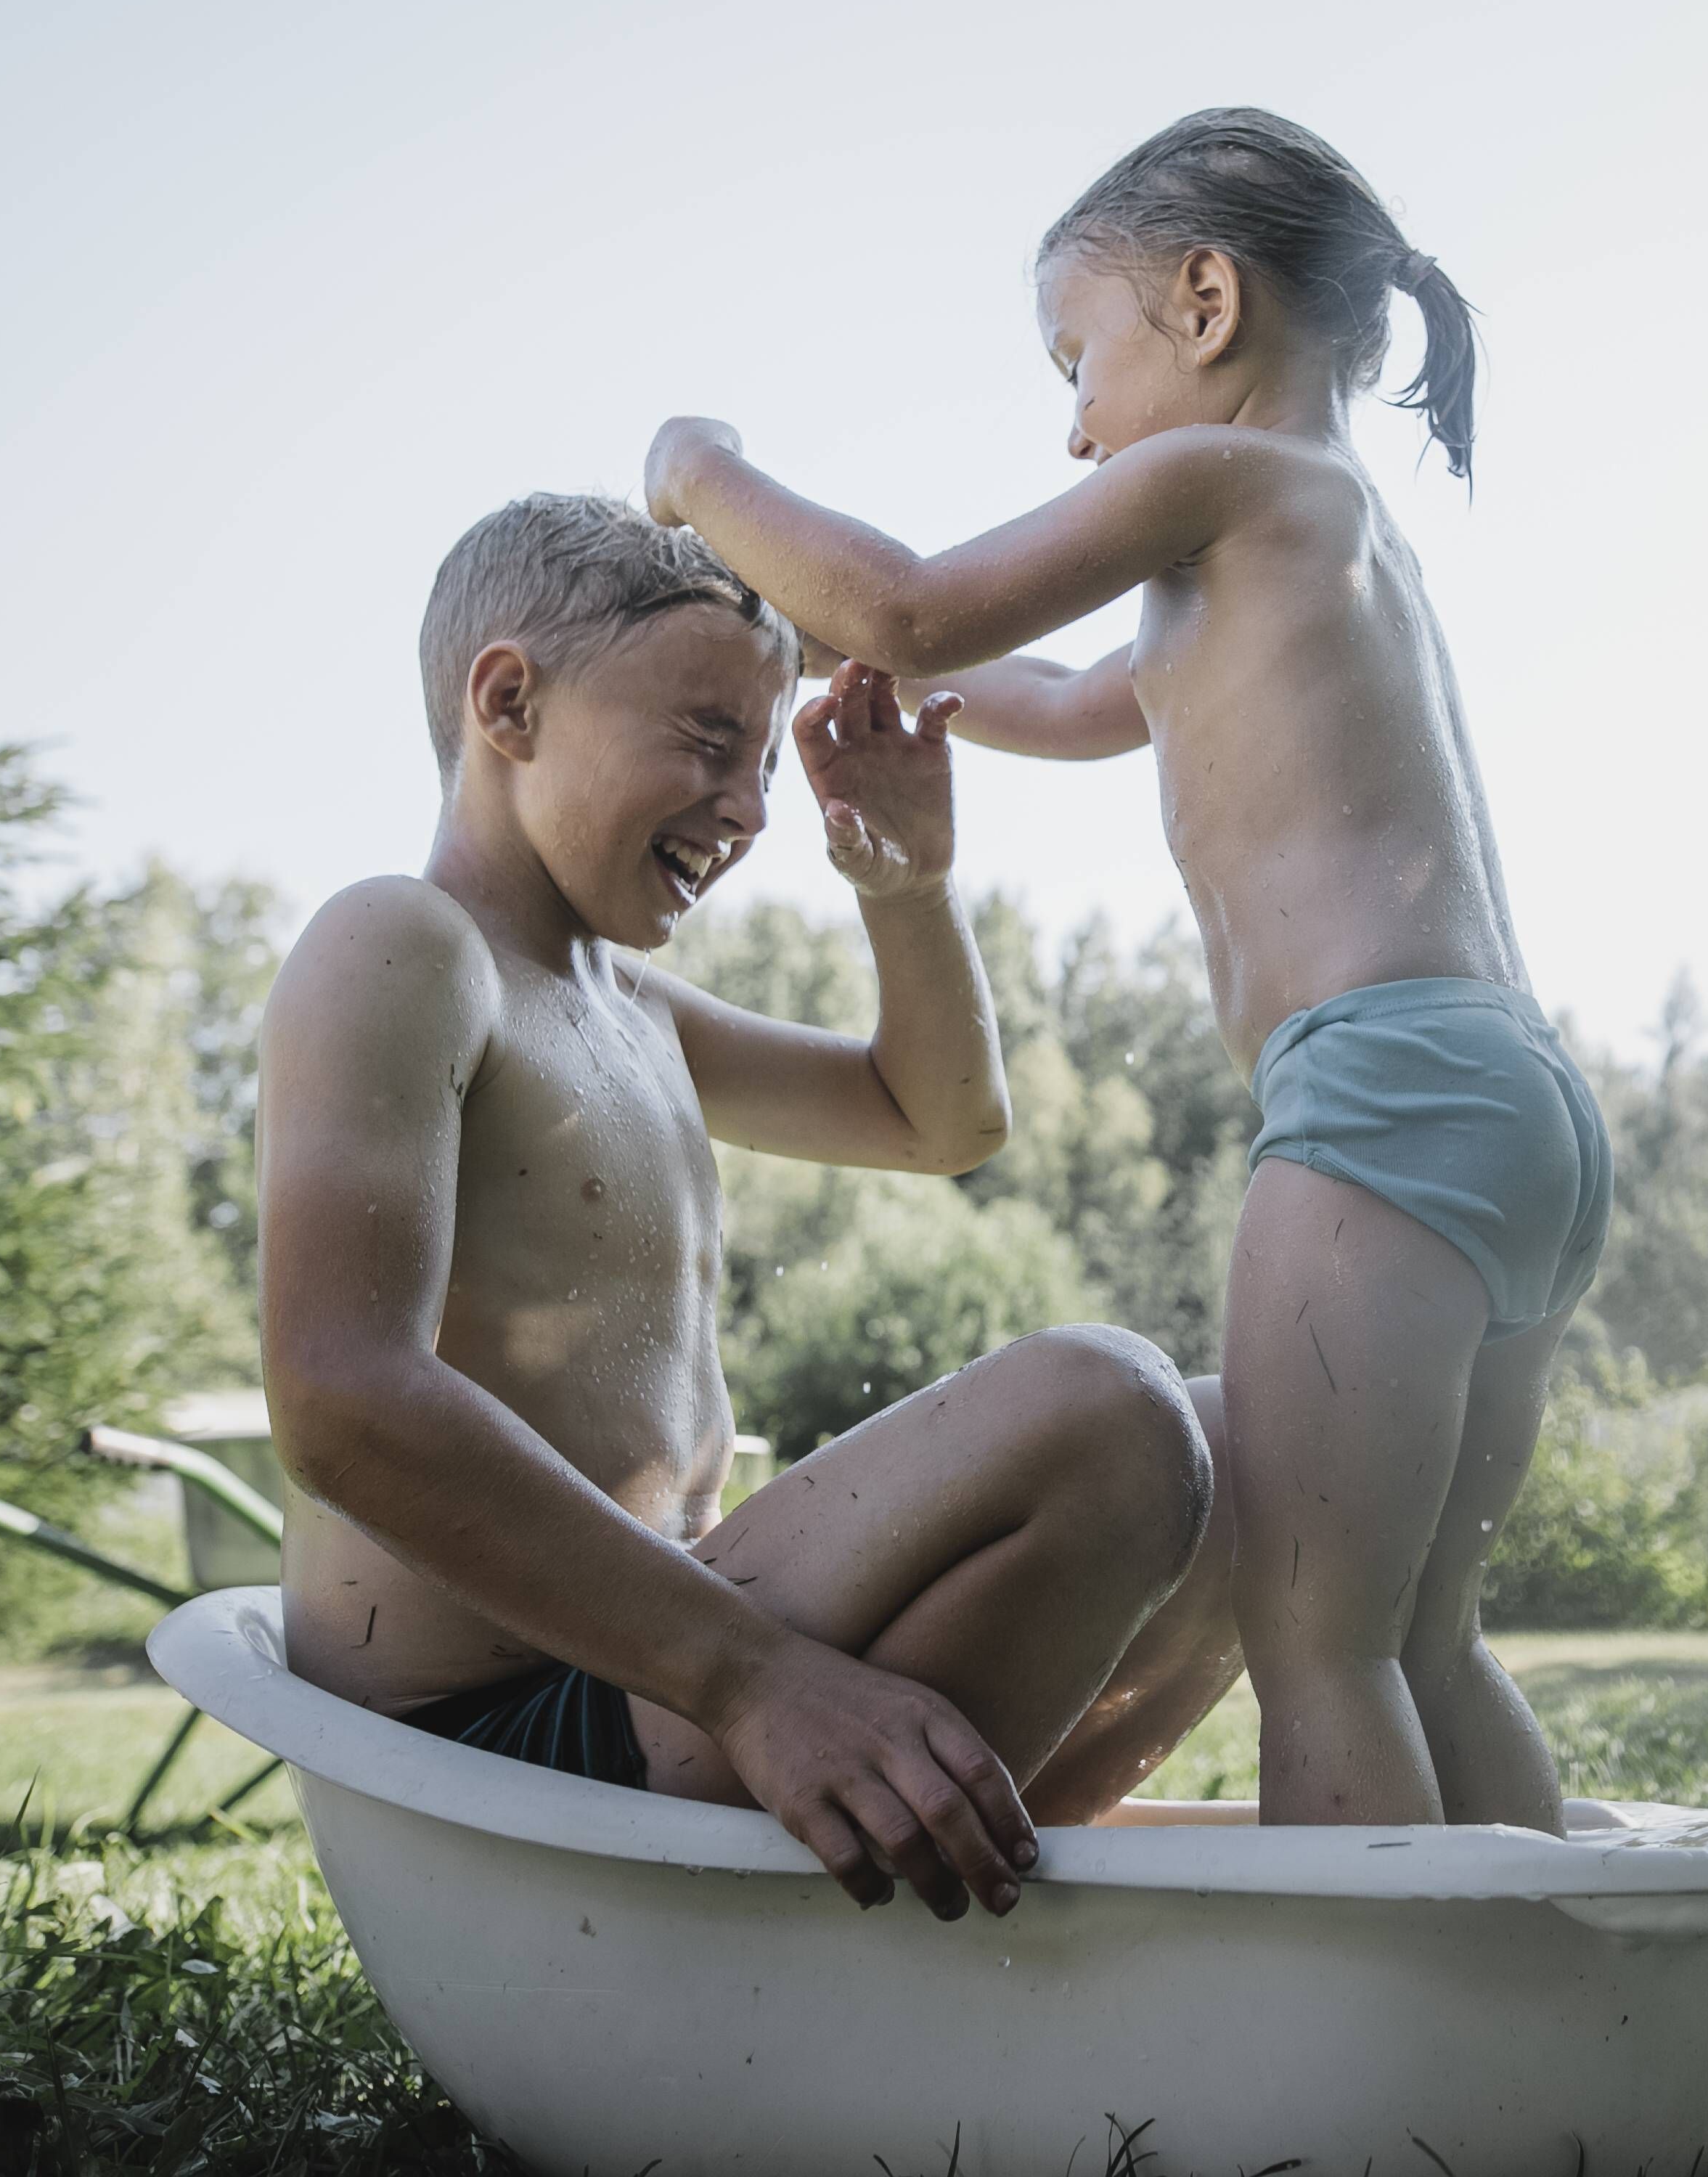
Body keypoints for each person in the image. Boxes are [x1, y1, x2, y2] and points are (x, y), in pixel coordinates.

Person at [644, 108, 1607, 1832]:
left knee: (1321, 1649)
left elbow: (928, 611)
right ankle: (1565, 2018)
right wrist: (832, 652)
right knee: (1426, 1641)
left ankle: (1380, 2071)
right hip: (1511, 1107)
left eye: (1080, 356)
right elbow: (1042, 696)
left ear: (1208, 302)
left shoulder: (1223, 479)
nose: (1075, 423)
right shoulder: (1308, 543)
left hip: (1377, 1095)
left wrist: (701, 473)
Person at [258, 492, 1241, 1921]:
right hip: (519, 1759)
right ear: (510, 702)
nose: (751, 810)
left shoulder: (626, 1006)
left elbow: (941, 1120)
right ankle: (900, 1913)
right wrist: (756, 1677)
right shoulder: (405, 947)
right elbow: (340, 1394)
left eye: (766, 762)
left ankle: (985, 1881)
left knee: (1241, 1446)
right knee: (1107, 1410)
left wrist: (908, 879)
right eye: (711, 743)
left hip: (673, 1681)